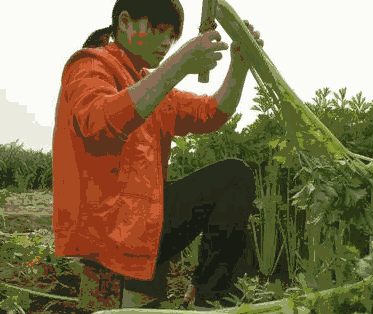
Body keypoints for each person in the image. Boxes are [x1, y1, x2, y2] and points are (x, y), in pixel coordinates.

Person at [52, 0, 265, 310]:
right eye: (159, 29)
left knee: (233, 177)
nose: (166, 42)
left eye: (172, 35)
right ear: (125, 22)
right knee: (231, 177)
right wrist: (179, 64)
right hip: (107, 226)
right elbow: (99, 125)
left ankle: (209, 298)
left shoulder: (148, 82)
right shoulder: (90, 65)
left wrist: (240, 65)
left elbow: (212, 112)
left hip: (143, 224)